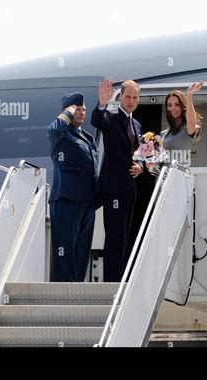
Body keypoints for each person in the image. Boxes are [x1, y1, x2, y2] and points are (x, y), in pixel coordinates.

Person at [91, 79, 143, 282]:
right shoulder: (111, 118)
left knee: (124, 239)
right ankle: (112, 285)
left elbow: (138, 153)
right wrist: (102, 103)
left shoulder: (136, 124)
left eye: (135, 97)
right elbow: (96, 120)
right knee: (114, 238)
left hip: (130, 189)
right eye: (128, 96)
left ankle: (121, 281)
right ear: (120, 96)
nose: (131, 101)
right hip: (113, 189)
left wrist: (141, 167)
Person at [47, 93, 99, 282]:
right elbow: (52, 130)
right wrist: (67, 114)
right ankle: (64, 292)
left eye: (83, 109)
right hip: (66, 199)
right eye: (76, 109)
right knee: (64, 250)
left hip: (87, 201)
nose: (81, 112)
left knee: (82, 251)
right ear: (66, 111)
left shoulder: (87, 137)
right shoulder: (60, 133)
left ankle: (76, 289)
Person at [160, 81, 204, 167]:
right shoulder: (163, 134)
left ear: (183, 106)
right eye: (169, 105)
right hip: (163, 177)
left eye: (177, 104)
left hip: (179, 176)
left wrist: (189, 96)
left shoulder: (188, 129)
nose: (173, 108)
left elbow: (191, 123)